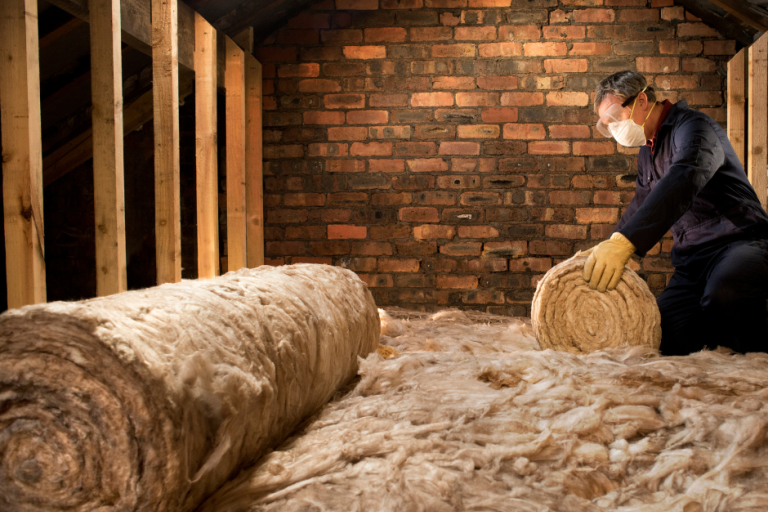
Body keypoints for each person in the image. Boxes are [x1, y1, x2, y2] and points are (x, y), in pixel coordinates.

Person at [583, 70, 768, 355]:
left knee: (725, 293)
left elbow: (686, 175)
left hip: (740, 242)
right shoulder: (648, 152)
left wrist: (626, 243)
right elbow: (642, 205)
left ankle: (755, 363)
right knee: (664, 333)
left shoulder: (694, 127)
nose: (615, 129)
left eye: (615, 118)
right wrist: (609, 244)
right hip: (693, 261)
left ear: (641, 100)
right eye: (607, 125)